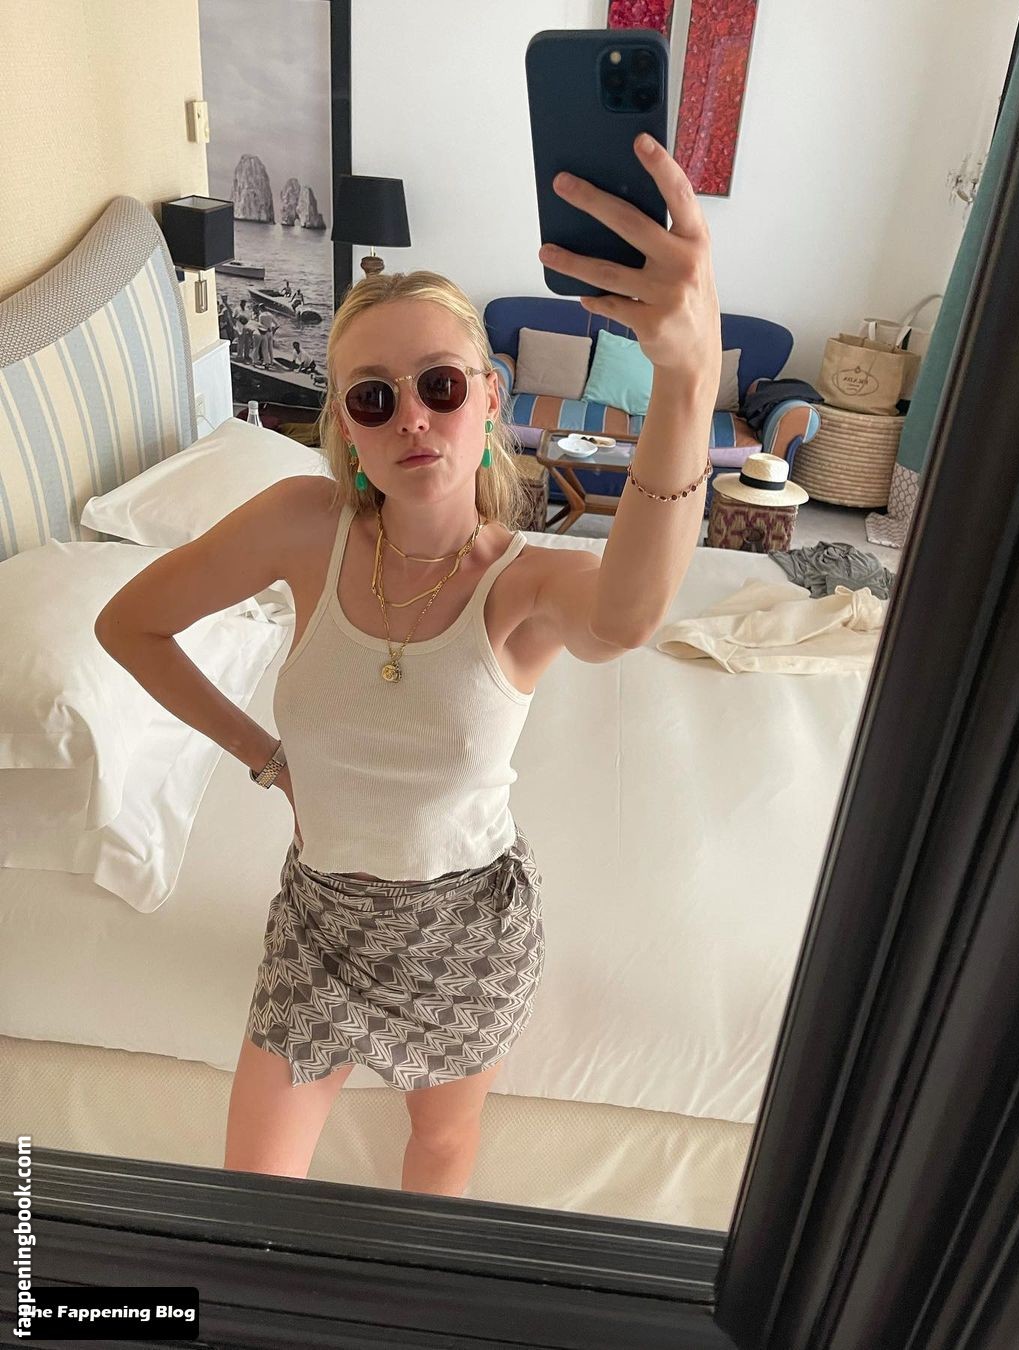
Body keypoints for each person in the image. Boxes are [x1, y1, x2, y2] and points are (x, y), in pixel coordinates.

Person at [103, 136, 720, 1196]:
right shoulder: (301, 524)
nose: (414, 419)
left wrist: (687, 377)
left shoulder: (525, 583)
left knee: (438, 1150)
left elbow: (626, 618)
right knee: (249, 1200)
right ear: (345, 427)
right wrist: (265, 757)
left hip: (464, 936)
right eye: (373, 398)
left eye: (439, 384)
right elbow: (130, 625)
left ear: (490, 397)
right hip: (317, 924)